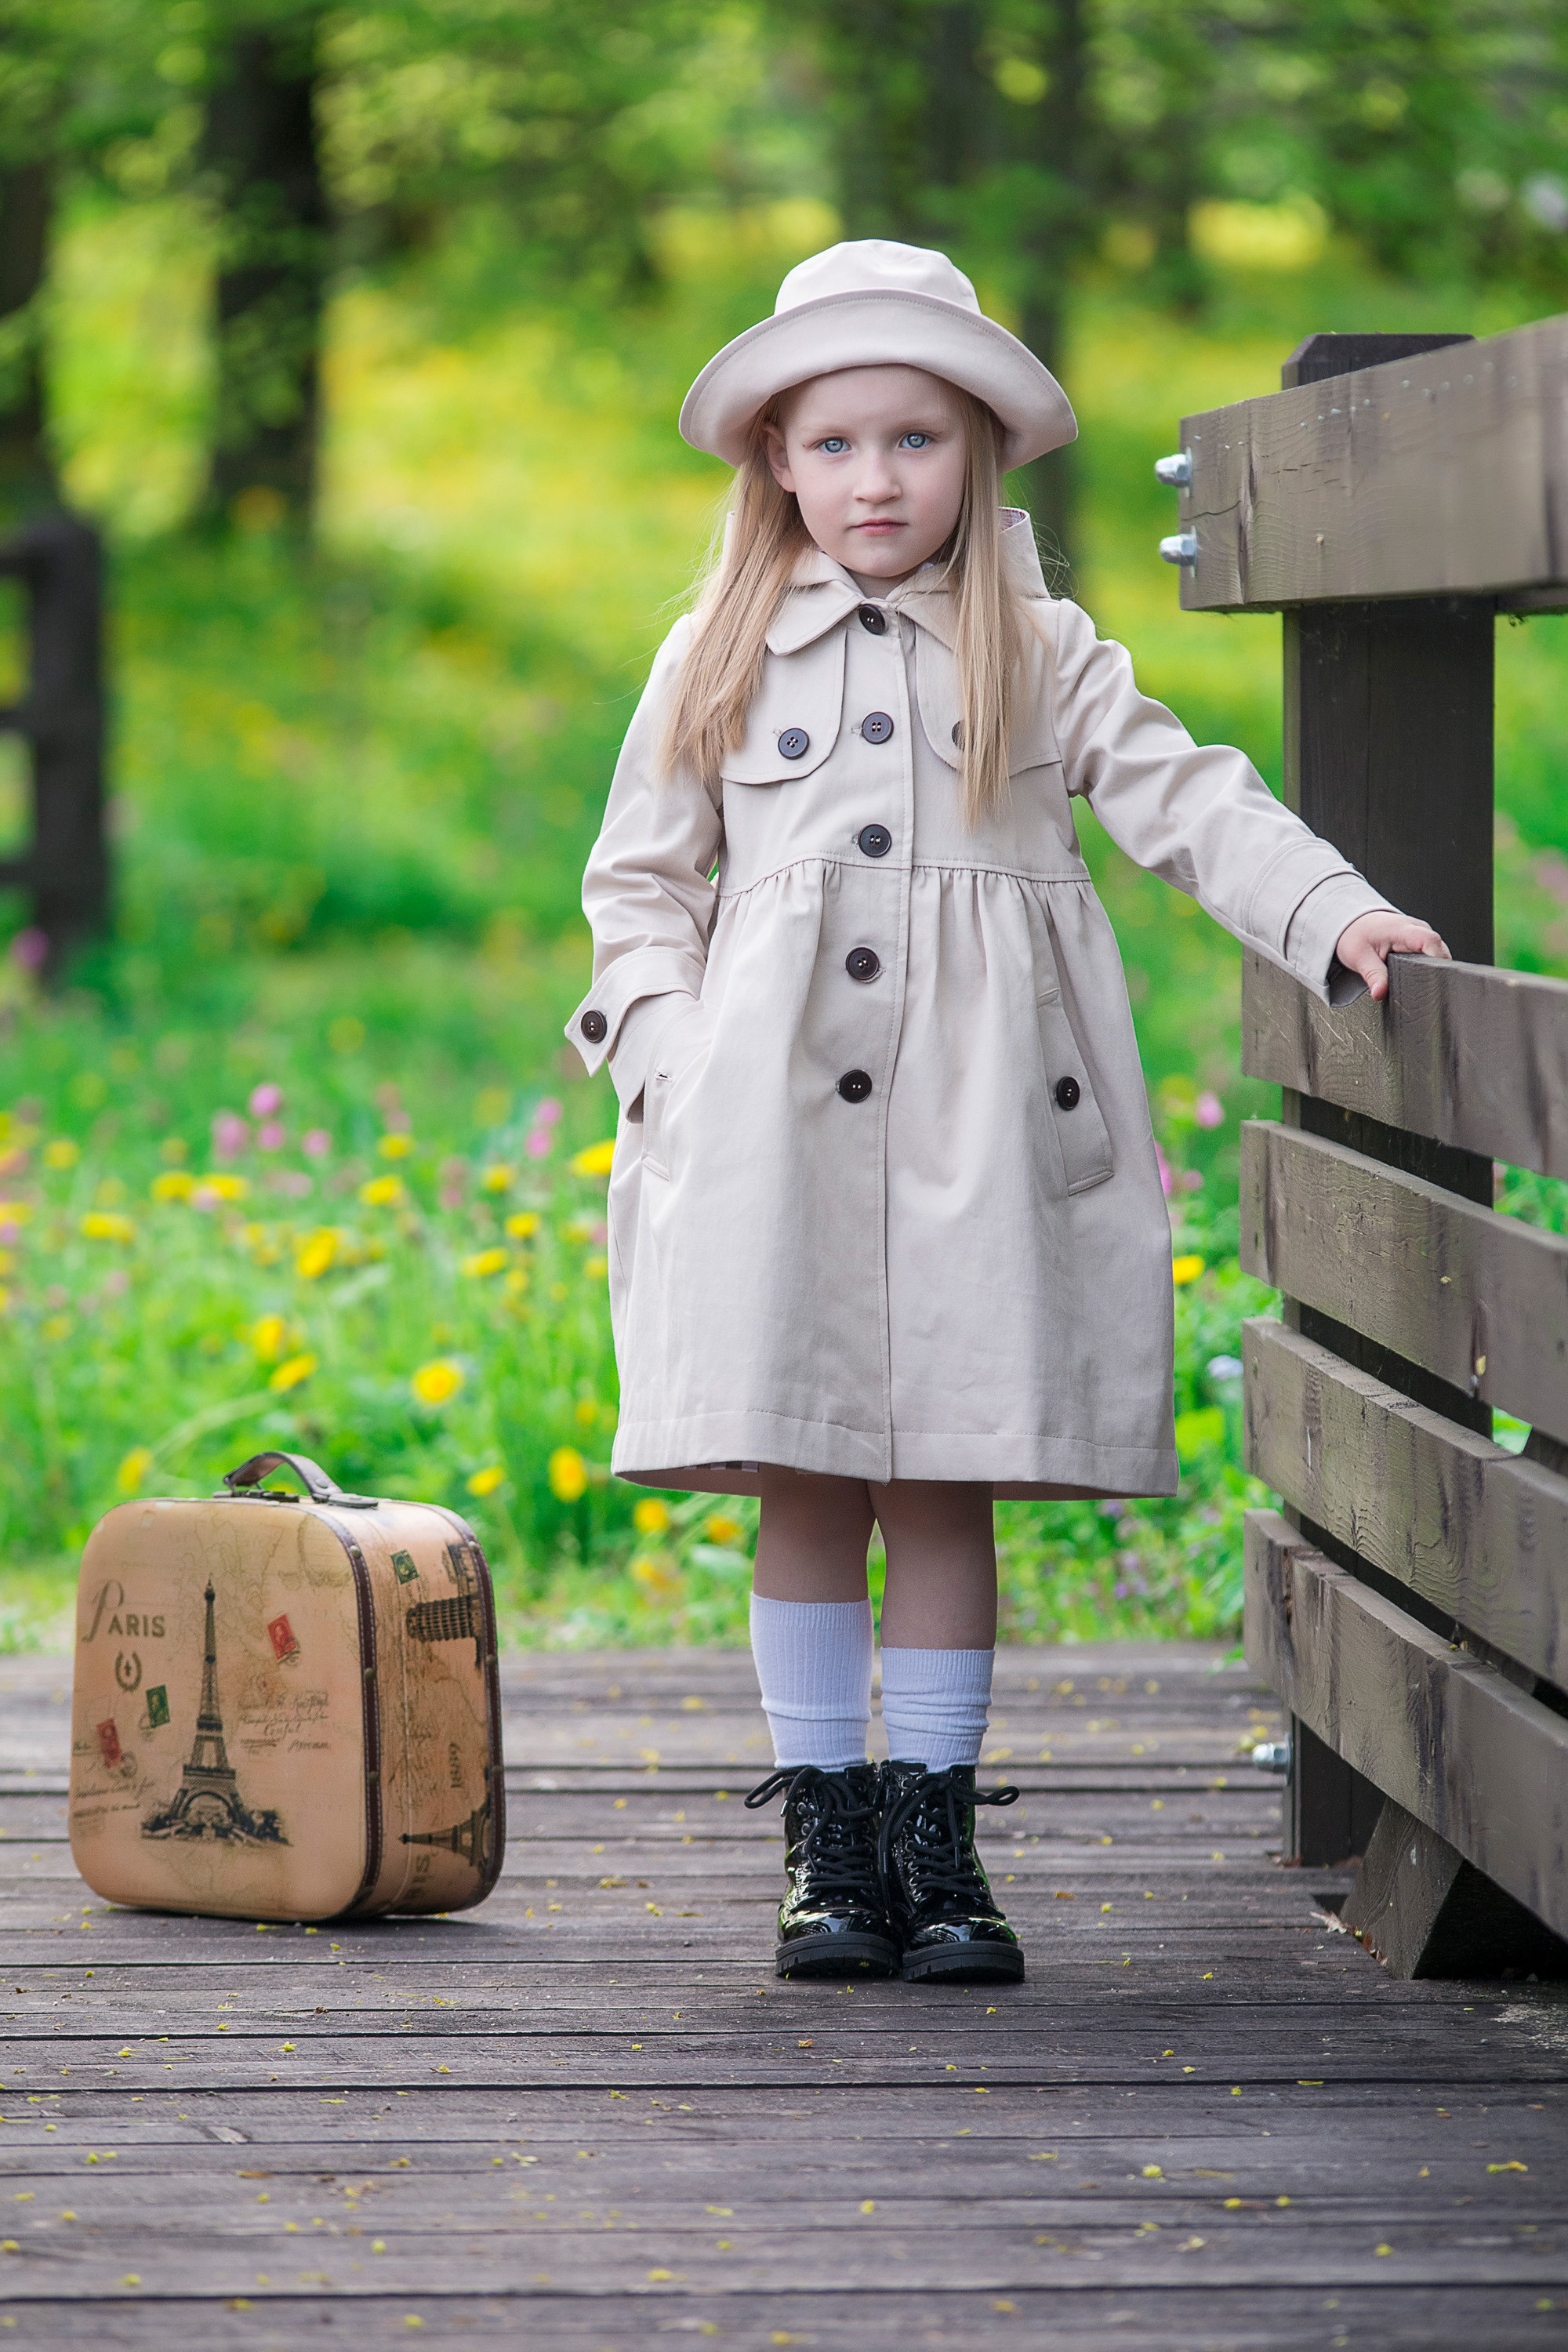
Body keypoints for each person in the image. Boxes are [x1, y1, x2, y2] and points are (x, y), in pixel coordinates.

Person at [568, 241, 1446, 1985]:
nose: (872, 480)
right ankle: (827, 1842)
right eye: (832, 446)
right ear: (774, 465)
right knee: (805, 1471)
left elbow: (1192, 799)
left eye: (913, 440)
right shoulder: (716, 649)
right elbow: (637, 886)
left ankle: (937, 1836)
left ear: (974, 450)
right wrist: (666, 1058)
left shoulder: (1041, 650)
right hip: (769, 1137)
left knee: (943, 1474)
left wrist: (1331, 908)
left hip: (984, 1127)